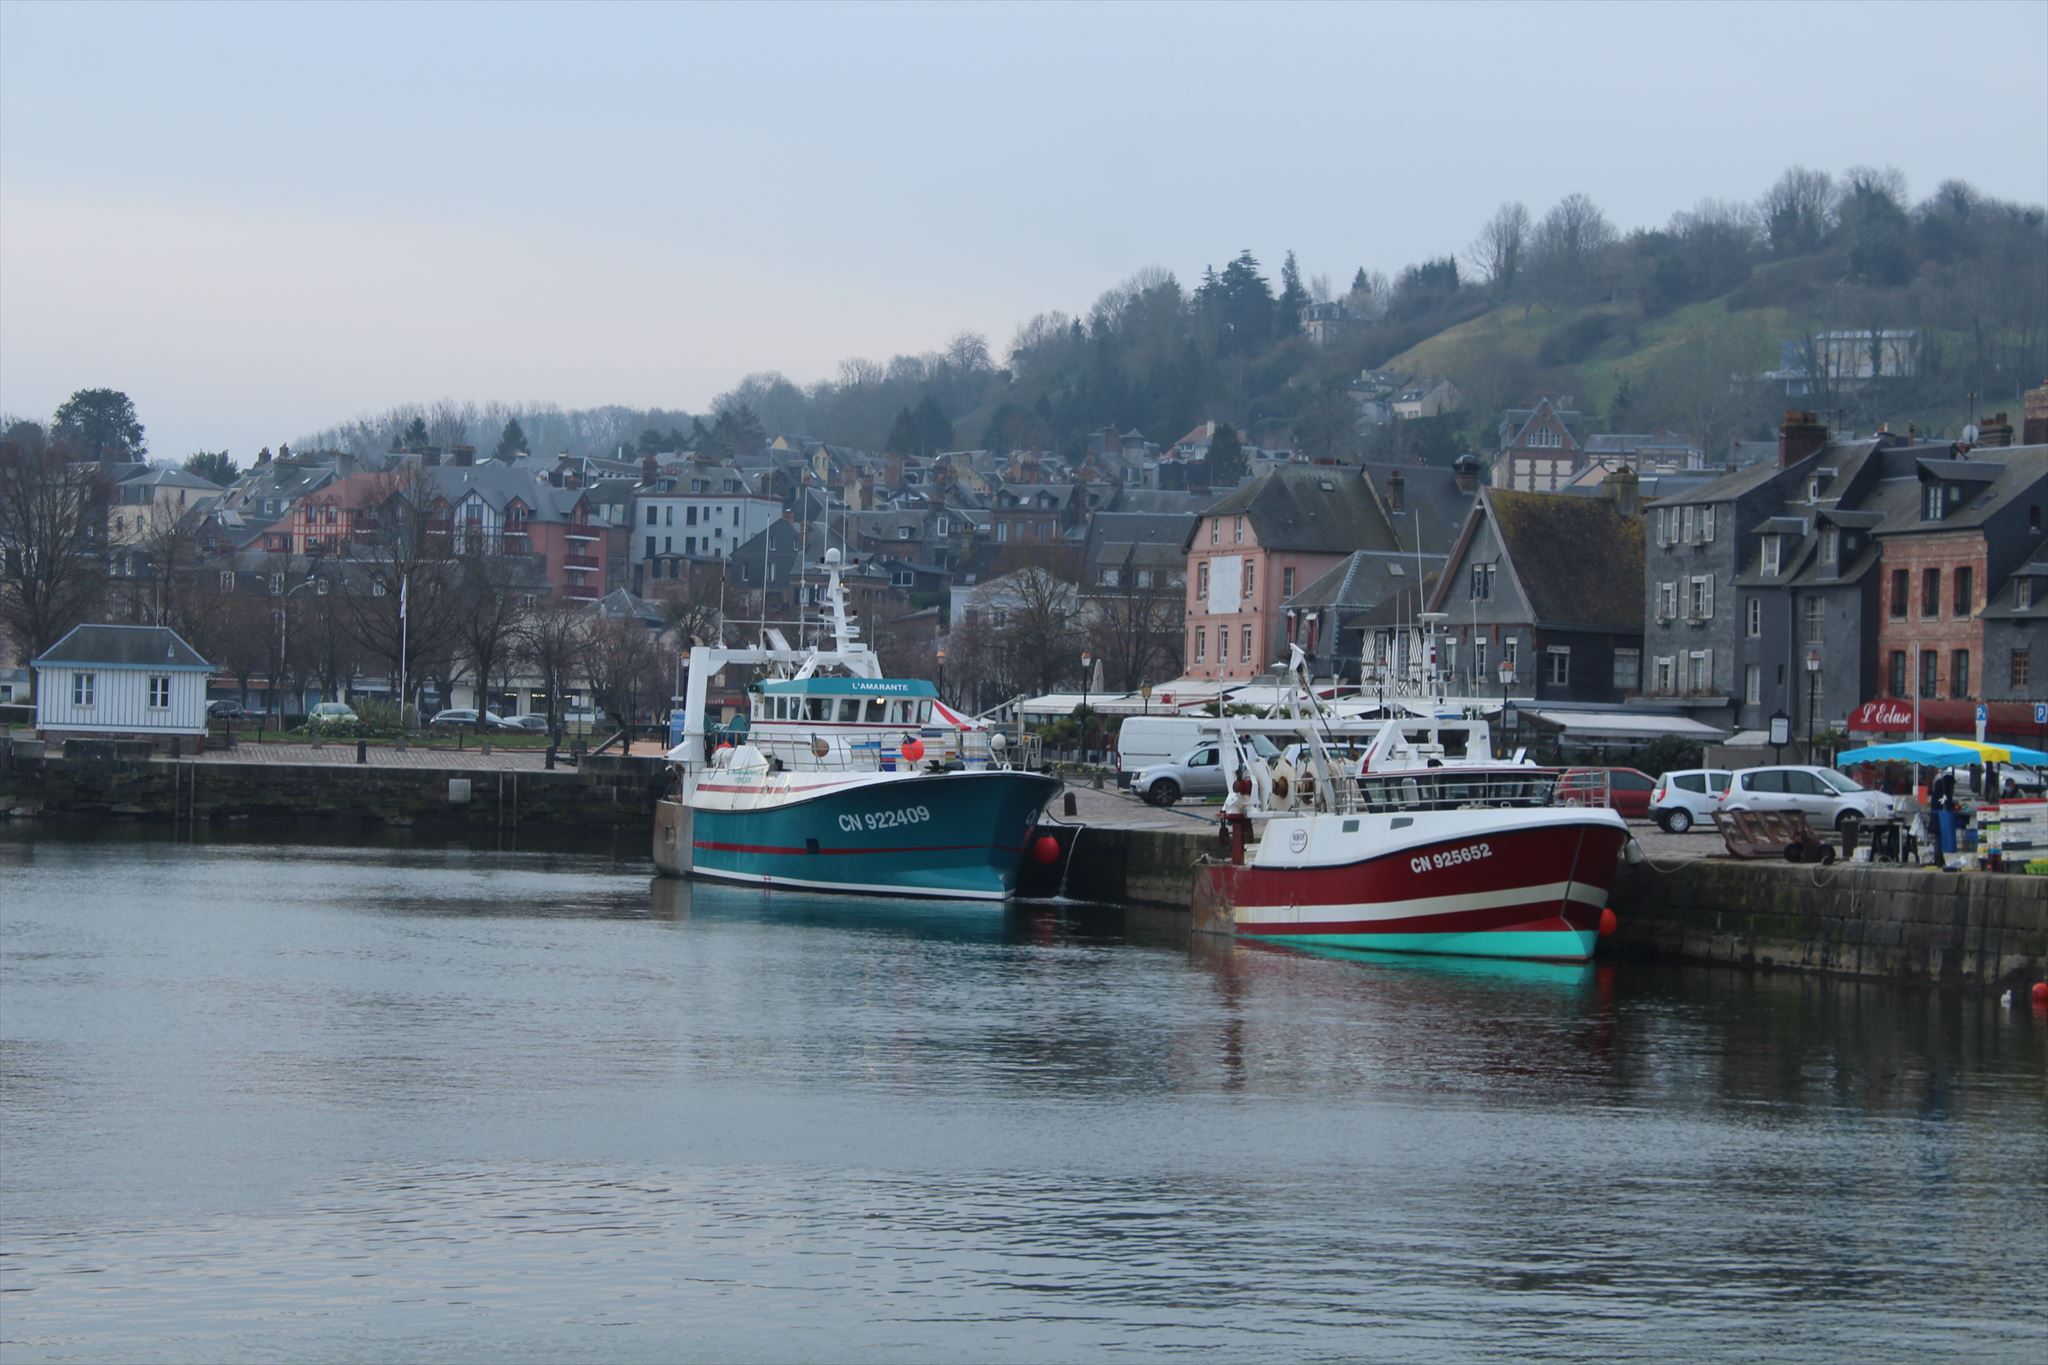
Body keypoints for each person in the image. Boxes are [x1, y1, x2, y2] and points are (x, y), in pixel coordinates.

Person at [1930, 768, 1960, 862]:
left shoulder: (1939, 787)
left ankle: (1939, 858)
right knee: (1939, 838)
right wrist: (1953, 805)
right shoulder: (1944, 790)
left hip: (1935, 814)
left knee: (1938, 838)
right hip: (1940, 816)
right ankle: (1938, 858)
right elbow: (1945, 802)